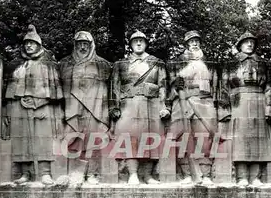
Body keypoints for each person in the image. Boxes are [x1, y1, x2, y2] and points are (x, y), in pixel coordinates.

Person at [1, 24, 63, 185]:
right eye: (26, 43)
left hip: (43, 106)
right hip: (19, 106)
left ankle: (45, 173)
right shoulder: (16, 65)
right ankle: (26, 173)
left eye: (32, 43)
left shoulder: (49, 64)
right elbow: (8, 93)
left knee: (43, 139)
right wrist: (8, 110)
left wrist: (39, 101)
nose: (29, 46)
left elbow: (56, 92)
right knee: (22, 140)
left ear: (38, 45)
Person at [168, 30, 229, 184]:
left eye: (196, 41)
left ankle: (206, 173)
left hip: (205, 101)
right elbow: (169, 84)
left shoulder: (210, 63)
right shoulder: (178, 63)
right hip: (184, 101)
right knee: (183, 137)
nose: (194, 43)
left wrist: (221, 109)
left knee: (206, 137)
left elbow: (218, 87)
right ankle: (187, 173)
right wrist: (176, 85)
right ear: (186, 44)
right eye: (191, 41)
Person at [109, 31, 170, 185]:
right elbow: (114, 87)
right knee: (130, 139)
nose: (138, 44)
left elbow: (163, 86)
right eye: (135, 41)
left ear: (146, 43)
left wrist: (165, 107)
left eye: (141, 41)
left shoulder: (157, 63)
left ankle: (148, 175)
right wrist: (114, 107)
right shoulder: (121, 64)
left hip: (152, 104)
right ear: (130, 44)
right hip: (129, 104)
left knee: (151, 139)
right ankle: (133, 174)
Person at [59, 31, 113, 184]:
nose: (82, 47)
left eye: (86, 44)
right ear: (75, 45)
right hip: (72, 109)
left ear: (91, 45)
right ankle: (75, 173)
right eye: (79, 43)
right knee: (73, 140)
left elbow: (109, 90)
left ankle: (92, 174)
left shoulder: (103, 64)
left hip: (95, 110)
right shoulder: (64, 64)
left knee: (94, 141)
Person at [227, 31, 271, 186]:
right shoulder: (231, 63)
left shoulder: (262, 63)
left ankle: (256, 176)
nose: (250, 44)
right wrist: (224, 111)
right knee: (240, 140)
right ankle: (241, 176)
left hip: (258, 100)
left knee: (258, 140)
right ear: (240, 45)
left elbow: (269, 87)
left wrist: (269, 107)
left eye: (252, 42)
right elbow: (223, 87)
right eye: (246, 42)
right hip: (238, 101)